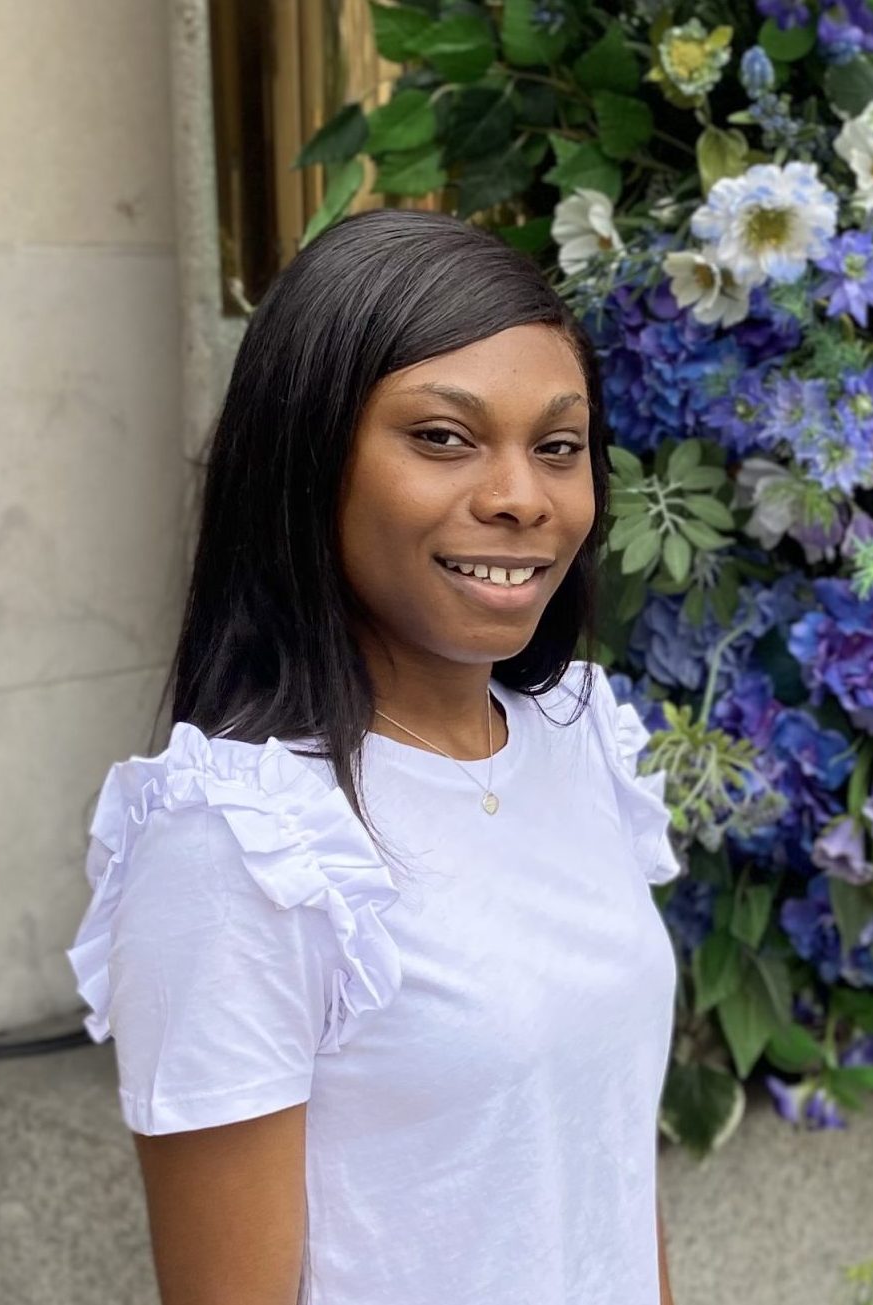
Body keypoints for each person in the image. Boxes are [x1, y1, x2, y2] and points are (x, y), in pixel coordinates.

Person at [66, 206, 683, 1305]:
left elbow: (610, 1185)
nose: (519, 496)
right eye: (443, 438)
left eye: (558, 445)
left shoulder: (582, 742)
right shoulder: (245, 844)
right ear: (308, 465)